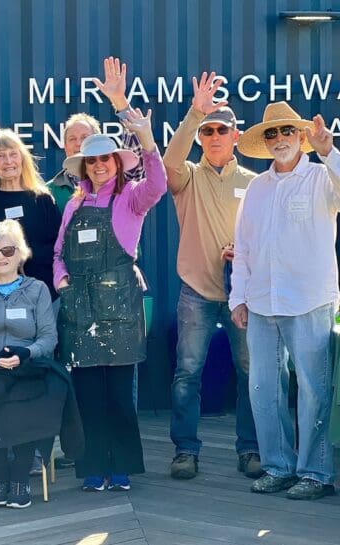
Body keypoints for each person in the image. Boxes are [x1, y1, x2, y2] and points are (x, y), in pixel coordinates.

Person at [53, 108, 166, 492]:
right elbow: (57, 255)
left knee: (118, 392)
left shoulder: (133, 198)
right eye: (93, 160)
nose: (99, 165)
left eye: (105, 158)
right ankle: (91, 468)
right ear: (83, 167)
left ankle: (121, 468)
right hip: (80, 309)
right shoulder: (73, 204)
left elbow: (159, 185)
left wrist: (148, 141)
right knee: (87, 393)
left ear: (117, 162)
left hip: (119, 307)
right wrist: (62, 281)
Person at [231, 102, 339, 501]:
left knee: (313, 389)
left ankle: (315, 472)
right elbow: (243, 248)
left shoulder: (321, 176)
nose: (280, 140)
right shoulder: (257, 188)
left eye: (287, 132)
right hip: (261, 303)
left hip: (310, 299)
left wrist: (329, 151)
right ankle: (277, 465)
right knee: (263, 389)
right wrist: (237, 297)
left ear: (301, 137)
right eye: (272, 134)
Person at [163, 72, 260, 480]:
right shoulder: (187, 177)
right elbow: (166, 162)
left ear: (236, 136)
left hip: (245, 295)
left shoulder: (256, 183)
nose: (214, 135)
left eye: (222, 129)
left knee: (251, 374)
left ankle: (251, 449)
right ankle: (185, 451)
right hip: (197, 291)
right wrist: (194, 113)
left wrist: (247, 254)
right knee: (188, 373)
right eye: (208, 131)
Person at [0, 219, 81, 508]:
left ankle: (19, 478)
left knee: (26, 395)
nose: (1, 258)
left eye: (8, 251)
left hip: (26, 368)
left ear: (21, 253)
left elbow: (48, 337)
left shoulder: (37, 290)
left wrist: (25, 354)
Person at [0, 130, 62, 302]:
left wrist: (23, 255)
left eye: (13, 154)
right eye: (0, 156)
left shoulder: (43, 199)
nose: (8, 161)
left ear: (22, 158)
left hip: (41, 296)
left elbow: (60, 248)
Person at [47, 57, 145, 212]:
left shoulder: (118, 180)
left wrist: (120, 100)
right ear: (65, 146)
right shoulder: (49, 191)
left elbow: (136, 156)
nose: (79, 143)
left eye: (85, 138)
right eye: (72, 139)